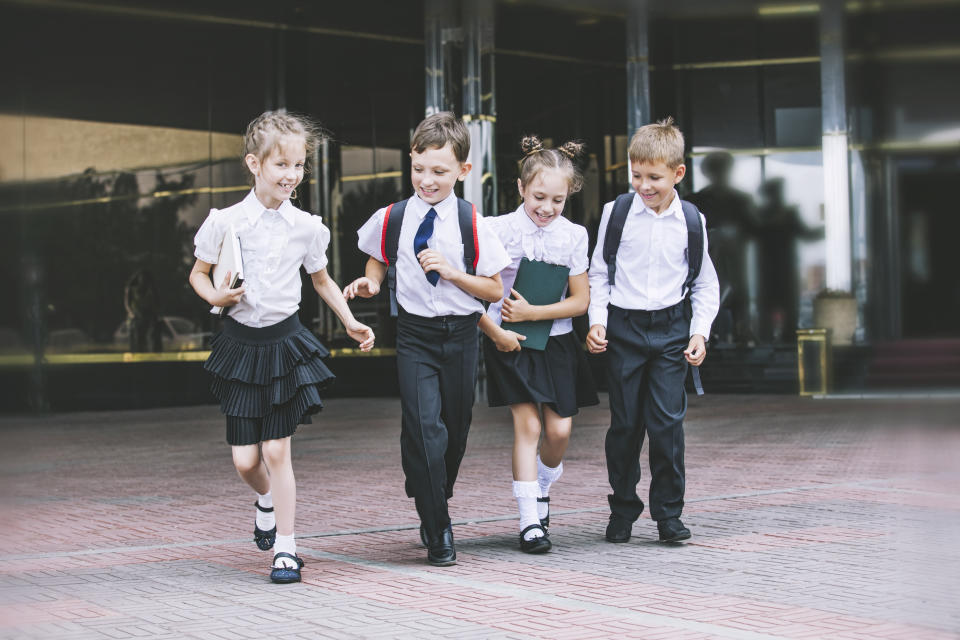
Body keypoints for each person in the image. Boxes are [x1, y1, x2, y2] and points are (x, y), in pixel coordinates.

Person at [189, 111, 375, 584]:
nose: (292, 175)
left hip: (283, 344)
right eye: (282, 165)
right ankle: (265, 500)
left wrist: (350, 321)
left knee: (276, 451)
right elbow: (198, 273)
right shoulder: (224, 221)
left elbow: (322, 280)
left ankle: (287, 550)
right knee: (245, 460)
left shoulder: (307, 227)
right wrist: (215, 296)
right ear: (254, 163)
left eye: (299, 166)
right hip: (239, 344)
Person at [343, 112, 509, 566]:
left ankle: (430, 488)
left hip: (461, 336)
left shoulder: (472, 222)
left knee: (453, 434)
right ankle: (438, 529)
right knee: (424, 430)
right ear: (410, 161)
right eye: (419, 169)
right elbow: (377, 258)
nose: (427, 180)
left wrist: (454, 274)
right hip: (415, 335)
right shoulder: (392, 217)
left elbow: (494, 288)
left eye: (439, 171)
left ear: (463, 171)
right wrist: (371, 283)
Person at [586, 117, 719, 544]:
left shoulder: (692, 221)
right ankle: (622, 509)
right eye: (636, 175)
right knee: (625, 426)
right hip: (623, 329)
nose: (644, 185)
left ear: (678, 174)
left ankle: (668, 515)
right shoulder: (616, 212)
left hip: (670, 332)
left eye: (654, 177)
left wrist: (700, 332)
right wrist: (597, 322)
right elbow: (598, 274)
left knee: (667, 426)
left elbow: (704, 284)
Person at [478, 135, 597, 553]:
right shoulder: (495, 230)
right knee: (528, 427)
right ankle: (530, 521)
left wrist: (534, 313)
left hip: (559, 342)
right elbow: (479, 291)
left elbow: (580, 300)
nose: (547, 208)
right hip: (510, 341)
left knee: (559, 431)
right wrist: (499, 328)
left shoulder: (574, 236)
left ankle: (544, 480)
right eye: (539, 197)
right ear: (521, 189)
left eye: (558, 200)